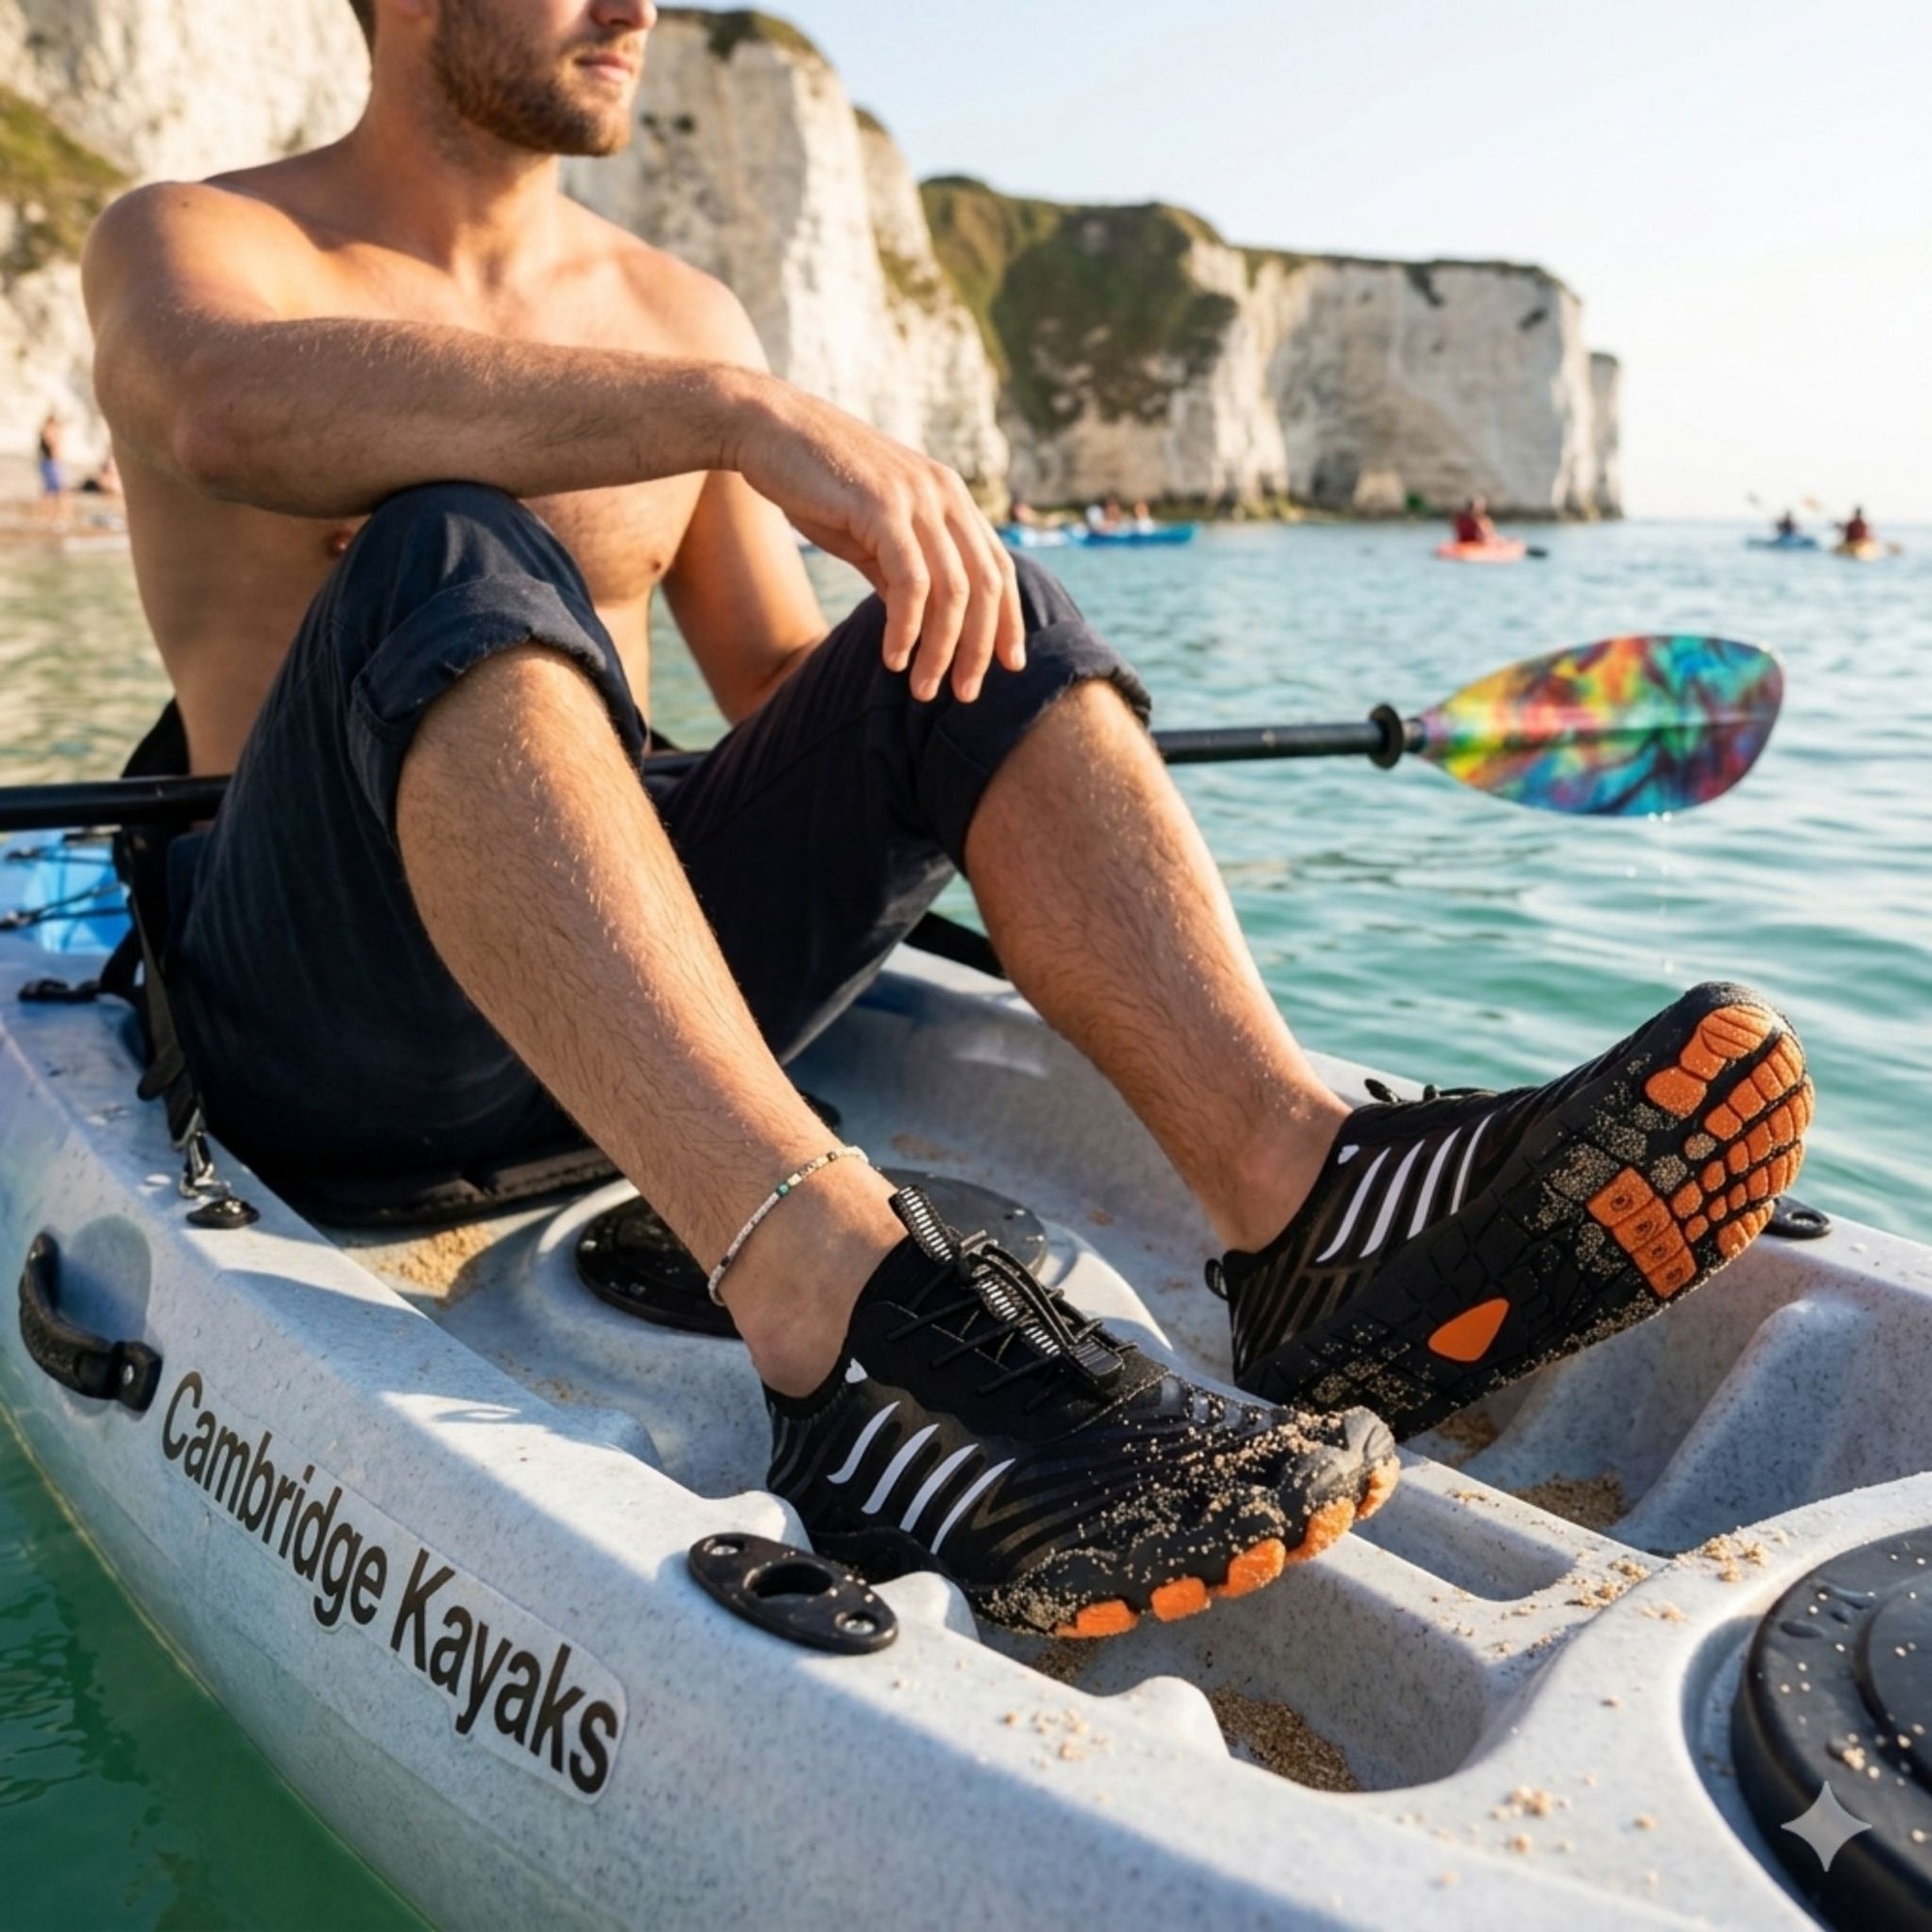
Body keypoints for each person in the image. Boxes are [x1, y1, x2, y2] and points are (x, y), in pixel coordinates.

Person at [82, 0, 1811, 1641]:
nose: (638, 7)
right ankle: (835, 1319)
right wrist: (734, 413)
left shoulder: (674, 307)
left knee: (963, 616)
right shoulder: (206, 242)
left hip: (622, 1018)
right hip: (334, 1037)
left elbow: (783, 686)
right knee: (442, 547)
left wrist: (964, 649)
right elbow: (221, 409)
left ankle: (1301, 1202)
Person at [35, 411, 69, 522]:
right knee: (58, 491)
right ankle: (56, 514)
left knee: (51, 491)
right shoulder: (49, 432)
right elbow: (53, 449)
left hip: (49, 464)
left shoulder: (46, 432)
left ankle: (47, 514)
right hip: (51, 465)